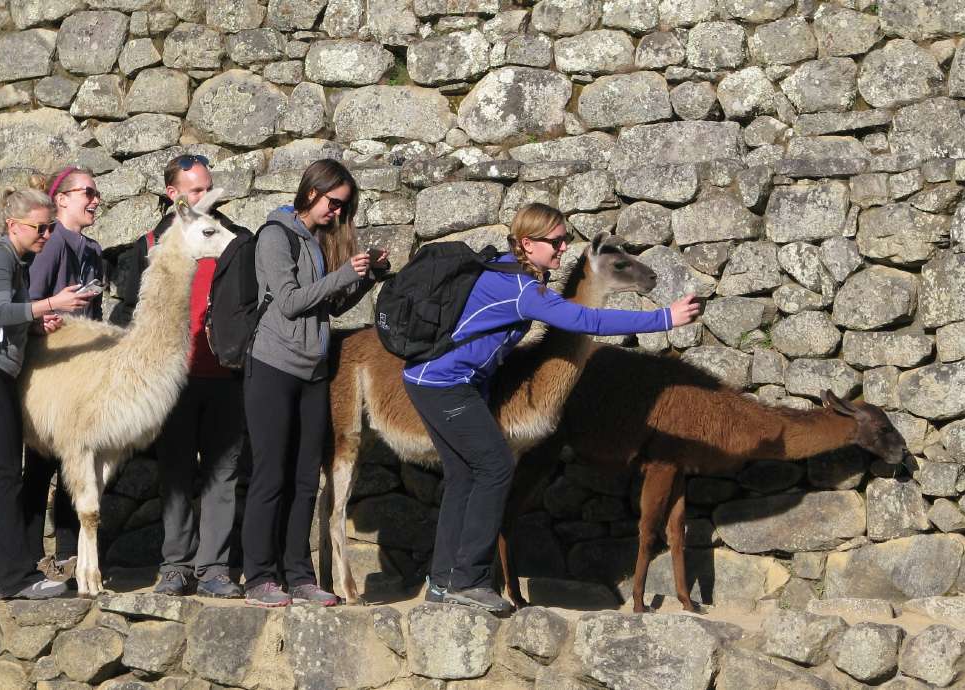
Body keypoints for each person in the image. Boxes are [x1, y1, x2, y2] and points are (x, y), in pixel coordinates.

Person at [404, 203, 703, 615]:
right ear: (528, 243)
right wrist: (665, 318)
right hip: (443, 385)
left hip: (438, 381)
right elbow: (586, 322)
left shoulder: (509, 269)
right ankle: (469, 580)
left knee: (462, 475)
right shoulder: (521, 289)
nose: (564, 247)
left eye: (564, 239)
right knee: (494, 467)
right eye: (556, 241)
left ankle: (443, 581)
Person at [242, 159, 386, 607]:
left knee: (306, 479)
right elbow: (286, 302)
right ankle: (260, 577)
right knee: (270, 475)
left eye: (344, 208)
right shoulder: (274, 236)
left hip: (313, 370)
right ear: (311, 192)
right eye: (334, 203)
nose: (337, 214)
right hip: (272, 366)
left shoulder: (319, 242)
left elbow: (330, 308)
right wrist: (344, 274)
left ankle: (300, 576)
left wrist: (366, 278)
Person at [113, 154, 249, 599]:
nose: (204, 195)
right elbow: (127, 310)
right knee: (174, 473)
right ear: (173, 196)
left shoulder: (236, 241)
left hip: (225, 374)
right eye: (194, 190)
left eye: (207, 186)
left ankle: (213, 568)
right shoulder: (148, 244)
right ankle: (176, 565)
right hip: (170, 380)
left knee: (221, 473)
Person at [0, 188, 92, 600]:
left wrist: (34, 324)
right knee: (4, 477)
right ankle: (16, 578)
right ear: (13, 225)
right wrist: (51, 302)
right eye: (40, 227)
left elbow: (1, 319)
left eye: (50, 226)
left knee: (3, 476)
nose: (47, 234)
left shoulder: (16, 261)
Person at [20, 166, 103, 583]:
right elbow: (29, 304)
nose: (94, 199)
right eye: (86, 191)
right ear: (62, 199)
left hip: (80, 378)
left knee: (77, 462)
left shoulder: (91, 250)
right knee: (38, 468)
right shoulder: (51, 246)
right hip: (49, 376)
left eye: (96, 192)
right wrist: (42, 322)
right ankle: (30, 556)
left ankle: (69, 556)